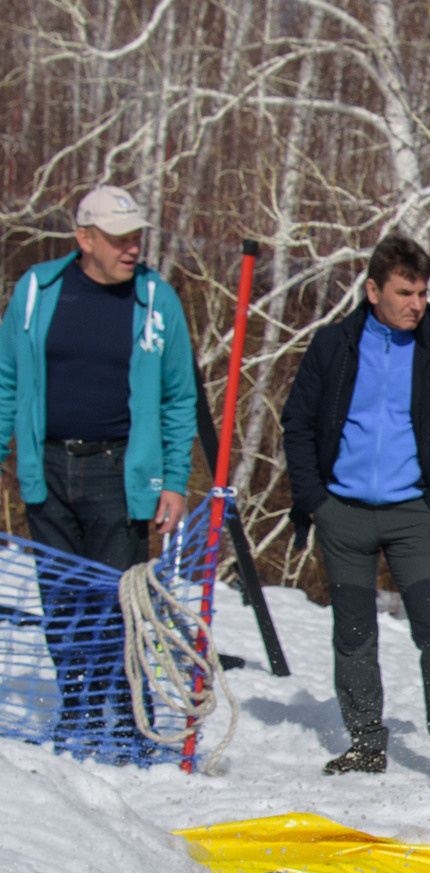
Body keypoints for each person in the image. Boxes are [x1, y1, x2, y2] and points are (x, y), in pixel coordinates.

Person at [0, 185, 196, 750]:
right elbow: (7, 381)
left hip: (122, 472)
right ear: (85, 239)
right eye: (118, 239)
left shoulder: (157, 301)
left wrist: (175, 482)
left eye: (136, 237)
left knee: (120, 605)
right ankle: (80, 714)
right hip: (47, 467)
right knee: (61, 604)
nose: (131, 248)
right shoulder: (37, 292)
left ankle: (129, 717)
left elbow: (179, 399)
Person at [279, 234, 430, 782]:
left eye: (422, 292)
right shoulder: (334, 345)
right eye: (404, 292)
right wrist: (316, 501)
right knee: (353, 634)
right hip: (342, 514)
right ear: (373, 291)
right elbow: (296, 423)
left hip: (416, 515)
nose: (417, 303)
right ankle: (366, 743)